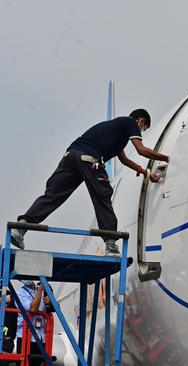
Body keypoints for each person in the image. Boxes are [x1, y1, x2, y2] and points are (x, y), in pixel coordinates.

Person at [10, 109, 169, 256]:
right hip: (89, 158)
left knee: (52, 196)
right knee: (103, 196)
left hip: (70, 156)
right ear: (140, 121)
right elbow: (141, 150)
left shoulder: (115, 132)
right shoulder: (129, 123)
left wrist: (146, 173)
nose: (141, 131)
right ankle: (111, 243)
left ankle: (21, 228)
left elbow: (124, 159)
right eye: (143, 128)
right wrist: (168, 158)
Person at [15, 281, 48, 366]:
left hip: (41, 338)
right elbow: (33, 308)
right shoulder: (19, 294)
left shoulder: (45, 291)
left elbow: (56, 307)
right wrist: (40, 291)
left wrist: (51, 303)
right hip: (25, 338)